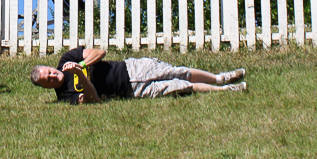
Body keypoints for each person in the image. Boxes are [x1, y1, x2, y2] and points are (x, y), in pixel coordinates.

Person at [30, 47, 247, 104]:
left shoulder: (67, 59)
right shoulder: (66, 96)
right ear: (46, 88)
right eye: (47, 80)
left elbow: (100, 52)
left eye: (49, 72)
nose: (52, 76)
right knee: (180, 86)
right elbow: (93, 99)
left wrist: (82, 64)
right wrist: (82, 76)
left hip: (130, 69)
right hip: (130, 90)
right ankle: (226, 89)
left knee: (179, 71)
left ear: (51, 66)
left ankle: (220, 78)